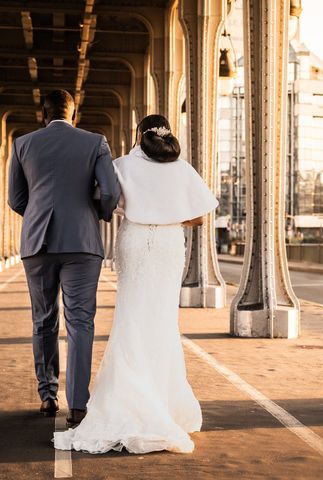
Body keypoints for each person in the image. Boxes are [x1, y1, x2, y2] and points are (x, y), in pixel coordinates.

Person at [53, 114, 217, 454]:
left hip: (135, 240)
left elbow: (104, 200)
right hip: (169, 244)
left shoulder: (123, 165)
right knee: (163, 321)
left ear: (138, 136)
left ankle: (128, 399)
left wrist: (136, 212)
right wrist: (169, 217)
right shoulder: (183, 169)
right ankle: (163, 403)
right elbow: (201, 216)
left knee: (130, 318)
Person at [7, 89, 120, 426]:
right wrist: (93, 213)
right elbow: (111, 191)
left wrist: (39, 214)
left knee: (43, 320)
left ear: (44, 114)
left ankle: (47, 395)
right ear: (74, 113)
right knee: (81, 323)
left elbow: (15, 198)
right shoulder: (95, 142)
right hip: (82, 243)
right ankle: (79, 405)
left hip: (37, 246)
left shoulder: (22, 144)